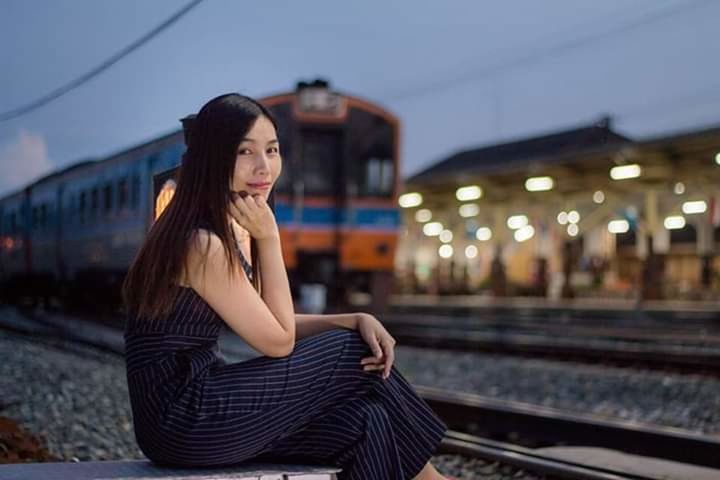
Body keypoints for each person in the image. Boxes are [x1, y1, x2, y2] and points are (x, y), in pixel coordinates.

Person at [121, 93, 450, 480]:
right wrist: (270, 236)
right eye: (245, 152)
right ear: (214, 158)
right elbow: (278, 342)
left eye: (273, 150)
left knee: (367, 420)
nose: (264, 167)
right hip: (184, 417)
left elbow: (275, 319)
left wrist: (353, 317)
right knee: (354, 351)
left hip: (193, 413)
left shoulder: (224, 228)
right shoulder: (201, 244)